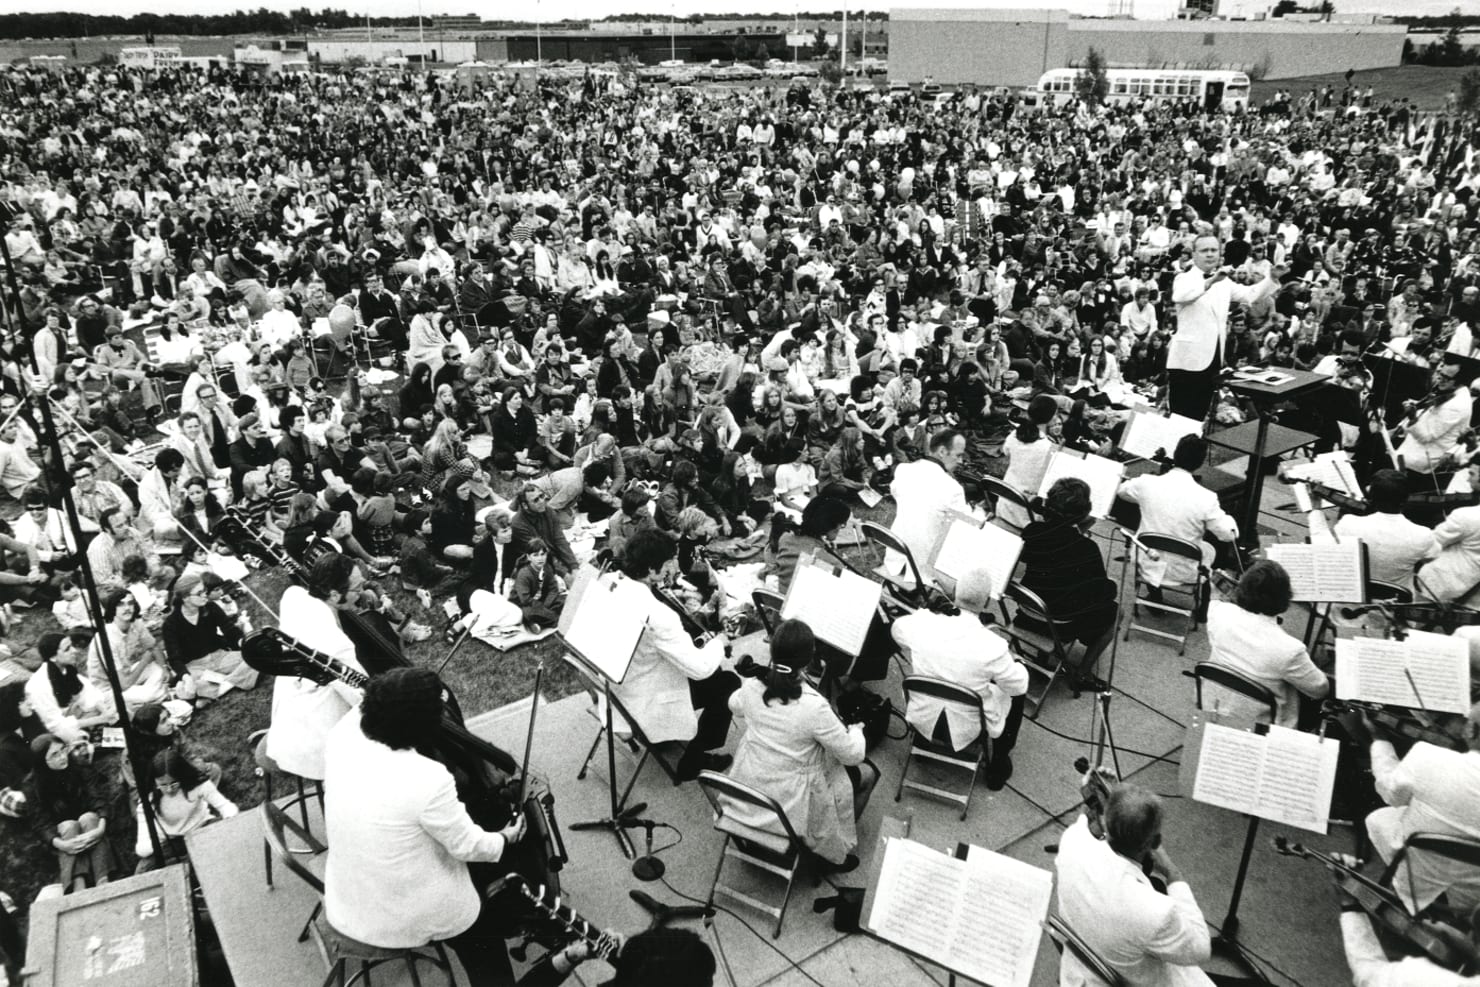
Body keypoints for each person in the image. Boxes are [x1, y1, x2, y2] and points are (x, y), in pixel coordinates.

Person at [322, 666, 528, 984]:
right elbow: (469, 846)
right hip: (398, 916)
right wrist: (505, 837)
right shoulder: (427, 779)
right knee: (482, 937)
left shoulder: (341, 735)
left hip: (347, 894)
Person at [725, 619, 877, 873]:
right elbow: (853, 755)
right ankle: (829, 854)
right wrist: (856, 730)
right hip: (790, 800)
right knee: (867, 774)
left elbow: (734, 704)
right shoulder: (813, 706)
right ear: (808, 661)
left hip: (749, 783)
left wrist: (757, 679)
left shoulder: (753, 687)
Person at [1056, 779, 1225, 986]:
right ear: (1154, 842)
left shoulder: (1072, 841)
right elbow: (1200, 949)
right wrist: (1173, 874)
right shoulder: (1156, 912)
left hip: (1082, 971)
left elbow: (1086, 815)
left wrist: (1109, 792)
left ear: (1107, 823)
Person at [613, 530, 740, 780]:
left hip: (617, 688)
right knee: (727, 682)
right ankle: (693, 760)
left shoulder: (612, 583)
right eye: (670, 560)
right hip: (643, 699)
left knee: (714, 672)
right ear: (651, 570)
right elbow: (700, 668)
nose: (674, 566)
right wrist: (721, 641)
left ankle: (663, 738)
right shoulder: (658, 615)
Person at [892, 566, 1029, 789]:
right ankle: (998, 765)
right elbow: (1019, 685)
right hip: (966, 724)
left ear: (954, 592)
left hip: (923, 714)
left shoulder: (923, 624)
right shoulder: (992, 646)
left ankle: (924, 743)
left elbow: (897, 630)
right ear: (986, 604)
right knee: (1015, 692)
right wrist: (1018, 663)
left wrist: (927, 612)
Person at [1337, 703, 1480, 916]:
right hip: (1474, 887)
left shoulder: (1427, 757)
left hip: (1418, 874)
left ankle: (1404, 887)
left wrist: (1380, 741)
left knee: (1377, 818)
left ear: (1470, 730)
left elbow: (1391, 795)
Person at [266, 554, 366, 782]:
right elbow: (364, 696)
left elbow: (296, 591)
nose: (361, 594)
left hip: (288, 725)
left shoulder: (294, 598)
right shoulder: (335, 644)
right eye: (357, 589)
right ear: (333, 594)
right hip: (317, 746)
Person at [1168, 234, 1286, 420]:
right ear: (1195, 255)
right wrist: (1211, 281)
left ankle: (1192, 445)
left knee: (1200, 413)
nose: (1209, 255)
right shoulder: (1184, 278)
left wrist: (1271, 278)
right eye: (1204, 250)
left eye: (1213, 250)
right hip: (1186, 360)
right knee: (1180, 415)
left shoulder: (1225, 282)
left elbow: (1250, 295)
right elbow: (1182, 296)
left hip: (1213, 358)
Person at [1205, 561, 1329, 729]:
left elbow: (1215, 598)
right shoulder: (1290, 649)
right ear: (1284, 599)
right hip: (1260, 724)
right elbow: (1320, 689)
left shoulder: (1218, 613)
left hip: (1214, 706)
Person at [1117, 435, 1239, 601]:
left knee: (1157, 538)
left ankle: (1154, 594)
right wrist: (1229, 519)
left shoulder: (1146, 483)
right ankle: (1201, 613)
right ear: (1200, 463)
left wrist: (1146, 498)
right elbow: (1228, 535)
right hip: (1185, 571)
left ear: (1175, 455)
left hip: (1147, 562)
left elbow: (1122, 491)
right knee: (1209, 550)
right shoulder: (1207, 498)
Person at [1019, 478, 1118, 678]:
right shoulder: (1087, 548)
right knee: (1117, 612)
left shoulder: (1032, 531)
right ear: (1084, 514)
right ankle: (1083, 672)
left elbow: (1053, 543)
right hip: (1059, 625)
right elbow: (1101, 593)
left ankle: (1043, 656)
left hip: (1026, 612)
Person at [134, 748, 237, 872]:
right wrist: (156, 842)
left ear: (182, 776)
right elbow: (142, 847)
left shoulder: (198, 785)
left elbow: (226, 806)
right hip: (172, 842)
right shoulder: (148, 799)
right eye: (162, 784)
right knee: (143, 869)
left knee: (231, 837)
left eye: (174, 783)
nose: (169, 790)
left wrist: (230, 821)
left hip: (202, 829)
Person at [160, 574, 259, 699]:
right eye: (199, 593)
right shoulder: (170, 624)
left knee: (255, 657)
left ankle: (221, 686)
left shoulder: (210, 607)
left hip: (220, 657)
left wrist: (242, 642)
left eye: (205, 591)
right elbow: (174, 659)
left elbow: (229, 629)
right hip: (195, 666)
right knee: (189, 684)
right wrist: (187, 677)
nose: (204, 595)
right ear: (185, 597)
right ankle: (236, 680)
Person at [886, 428, 968, 576]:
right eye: (959, 455)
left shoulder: (902, 470)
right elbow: (962, 529)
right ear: (942, 451)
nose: (961, 461)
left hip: (897, 554)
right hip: (924, 565)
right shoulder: (953, 488)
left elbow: (896, 492)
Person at [26, 631, 115, 746]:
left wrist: (105, 712)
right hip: (52, 729)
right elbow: (56, 725)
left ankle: (102, 733)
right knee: (75, 736)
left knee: (112, 701)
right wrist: (101, 719)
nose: (75, 651)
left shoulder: (67, 669)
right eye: (67, 649)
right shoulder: (38, 686)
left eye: (72, 646)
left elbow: (88, 693)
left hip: (73, 714)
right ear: (52, 657)